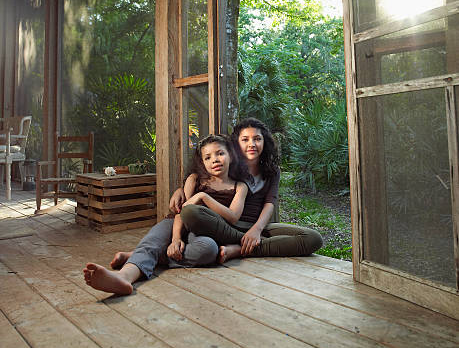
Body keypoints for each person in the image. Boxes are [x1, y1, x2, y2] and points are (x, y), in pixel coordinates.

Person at [83, 134, 247, 295]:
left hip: (203, 233)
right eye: (208, 157)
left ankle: (141, 255)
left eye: (220, 153)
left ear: (231, 156)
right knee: (155, 239)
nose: (215, 160)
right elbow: (181, 212)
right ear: (202, 163)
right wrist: (176, 239)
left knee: (209, 250)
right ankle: (124, 277)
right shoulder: (194, 179)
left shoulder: (239, 186)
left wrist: (203, 197)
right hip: (176, 223)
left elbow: (233, 217)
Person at [180, 118, 323, 262]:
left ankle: (238, 249)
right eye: (245, 139)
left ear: (264, 142)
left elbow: (270, 202)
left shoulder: (272, 171)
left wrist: (256, 230)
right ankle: (245, 242)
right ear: (236, 143)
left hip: (257, 224)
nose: (252, 144)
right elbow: (203, 178)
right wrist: (180, 191)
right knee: (191, 213)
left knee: (313, 238)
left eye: (257, 139)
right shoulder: (229, 164)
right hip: (225, 226)